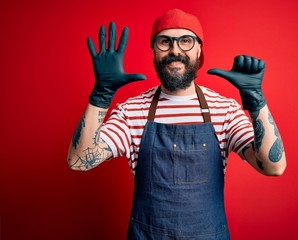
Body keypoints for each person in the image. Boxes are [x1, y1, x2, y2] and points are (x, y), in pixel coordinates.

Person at [67, 8, 286, 240]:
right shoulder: (132, 111)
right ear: (154, 51)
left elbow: (274, 167)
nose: (175, 50)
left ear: (199, 49)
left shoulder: (225, 110)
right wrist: (101, 96)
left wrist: (256, 102)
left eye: (186, 41)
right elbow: (79, 161)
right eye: (164, 41)